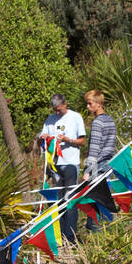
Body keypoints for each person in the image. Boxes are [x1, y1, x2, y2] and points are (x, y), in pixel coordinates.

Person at [36, 93, 85, 245]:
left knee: (69, 199)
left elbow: (82, 141)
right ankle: (60, 237)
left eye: (59, 110)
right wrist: (42, 137)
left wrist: (67, 140)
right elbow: (40, 140)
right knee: (58, 200)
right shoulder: (50, 120)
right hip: (55, 166)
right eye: (54, 110)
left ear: (65, 104)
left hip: (70, 163)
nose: (56, 113)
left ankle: (71, 237)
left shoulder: (75, 117)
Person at [82, 89, 118, 233]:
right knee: (104, 200)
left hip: (97, 166)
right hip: (108, 165)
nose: (87, 107)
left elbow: (94, 149)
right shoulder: (110, 120)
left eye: (90, 104)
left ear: (98, 104)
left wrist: (87, 171)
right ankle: (109, 232)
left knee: (95, 204)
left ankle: (98, 234)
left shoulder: (97, 123)